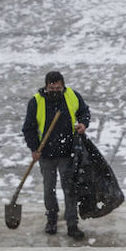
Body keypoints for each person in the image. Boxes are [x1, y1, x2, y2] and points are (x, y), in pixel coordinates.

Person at [22, 70, 92, 239]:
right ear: (46, 86)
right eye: (51, 88)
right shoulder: (36, 101)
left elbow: (84, 111)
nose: (55, 91)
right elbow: (29, 128)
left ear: (63, 86)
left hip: (67, 153)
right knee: (49, 189)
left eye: (58, 88)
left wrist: (83, 123)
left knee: (69, 190)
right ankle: (51, 220)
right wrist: (34, 148)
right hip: (45, 154)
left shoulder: (72, 96)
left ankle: (72, 224)